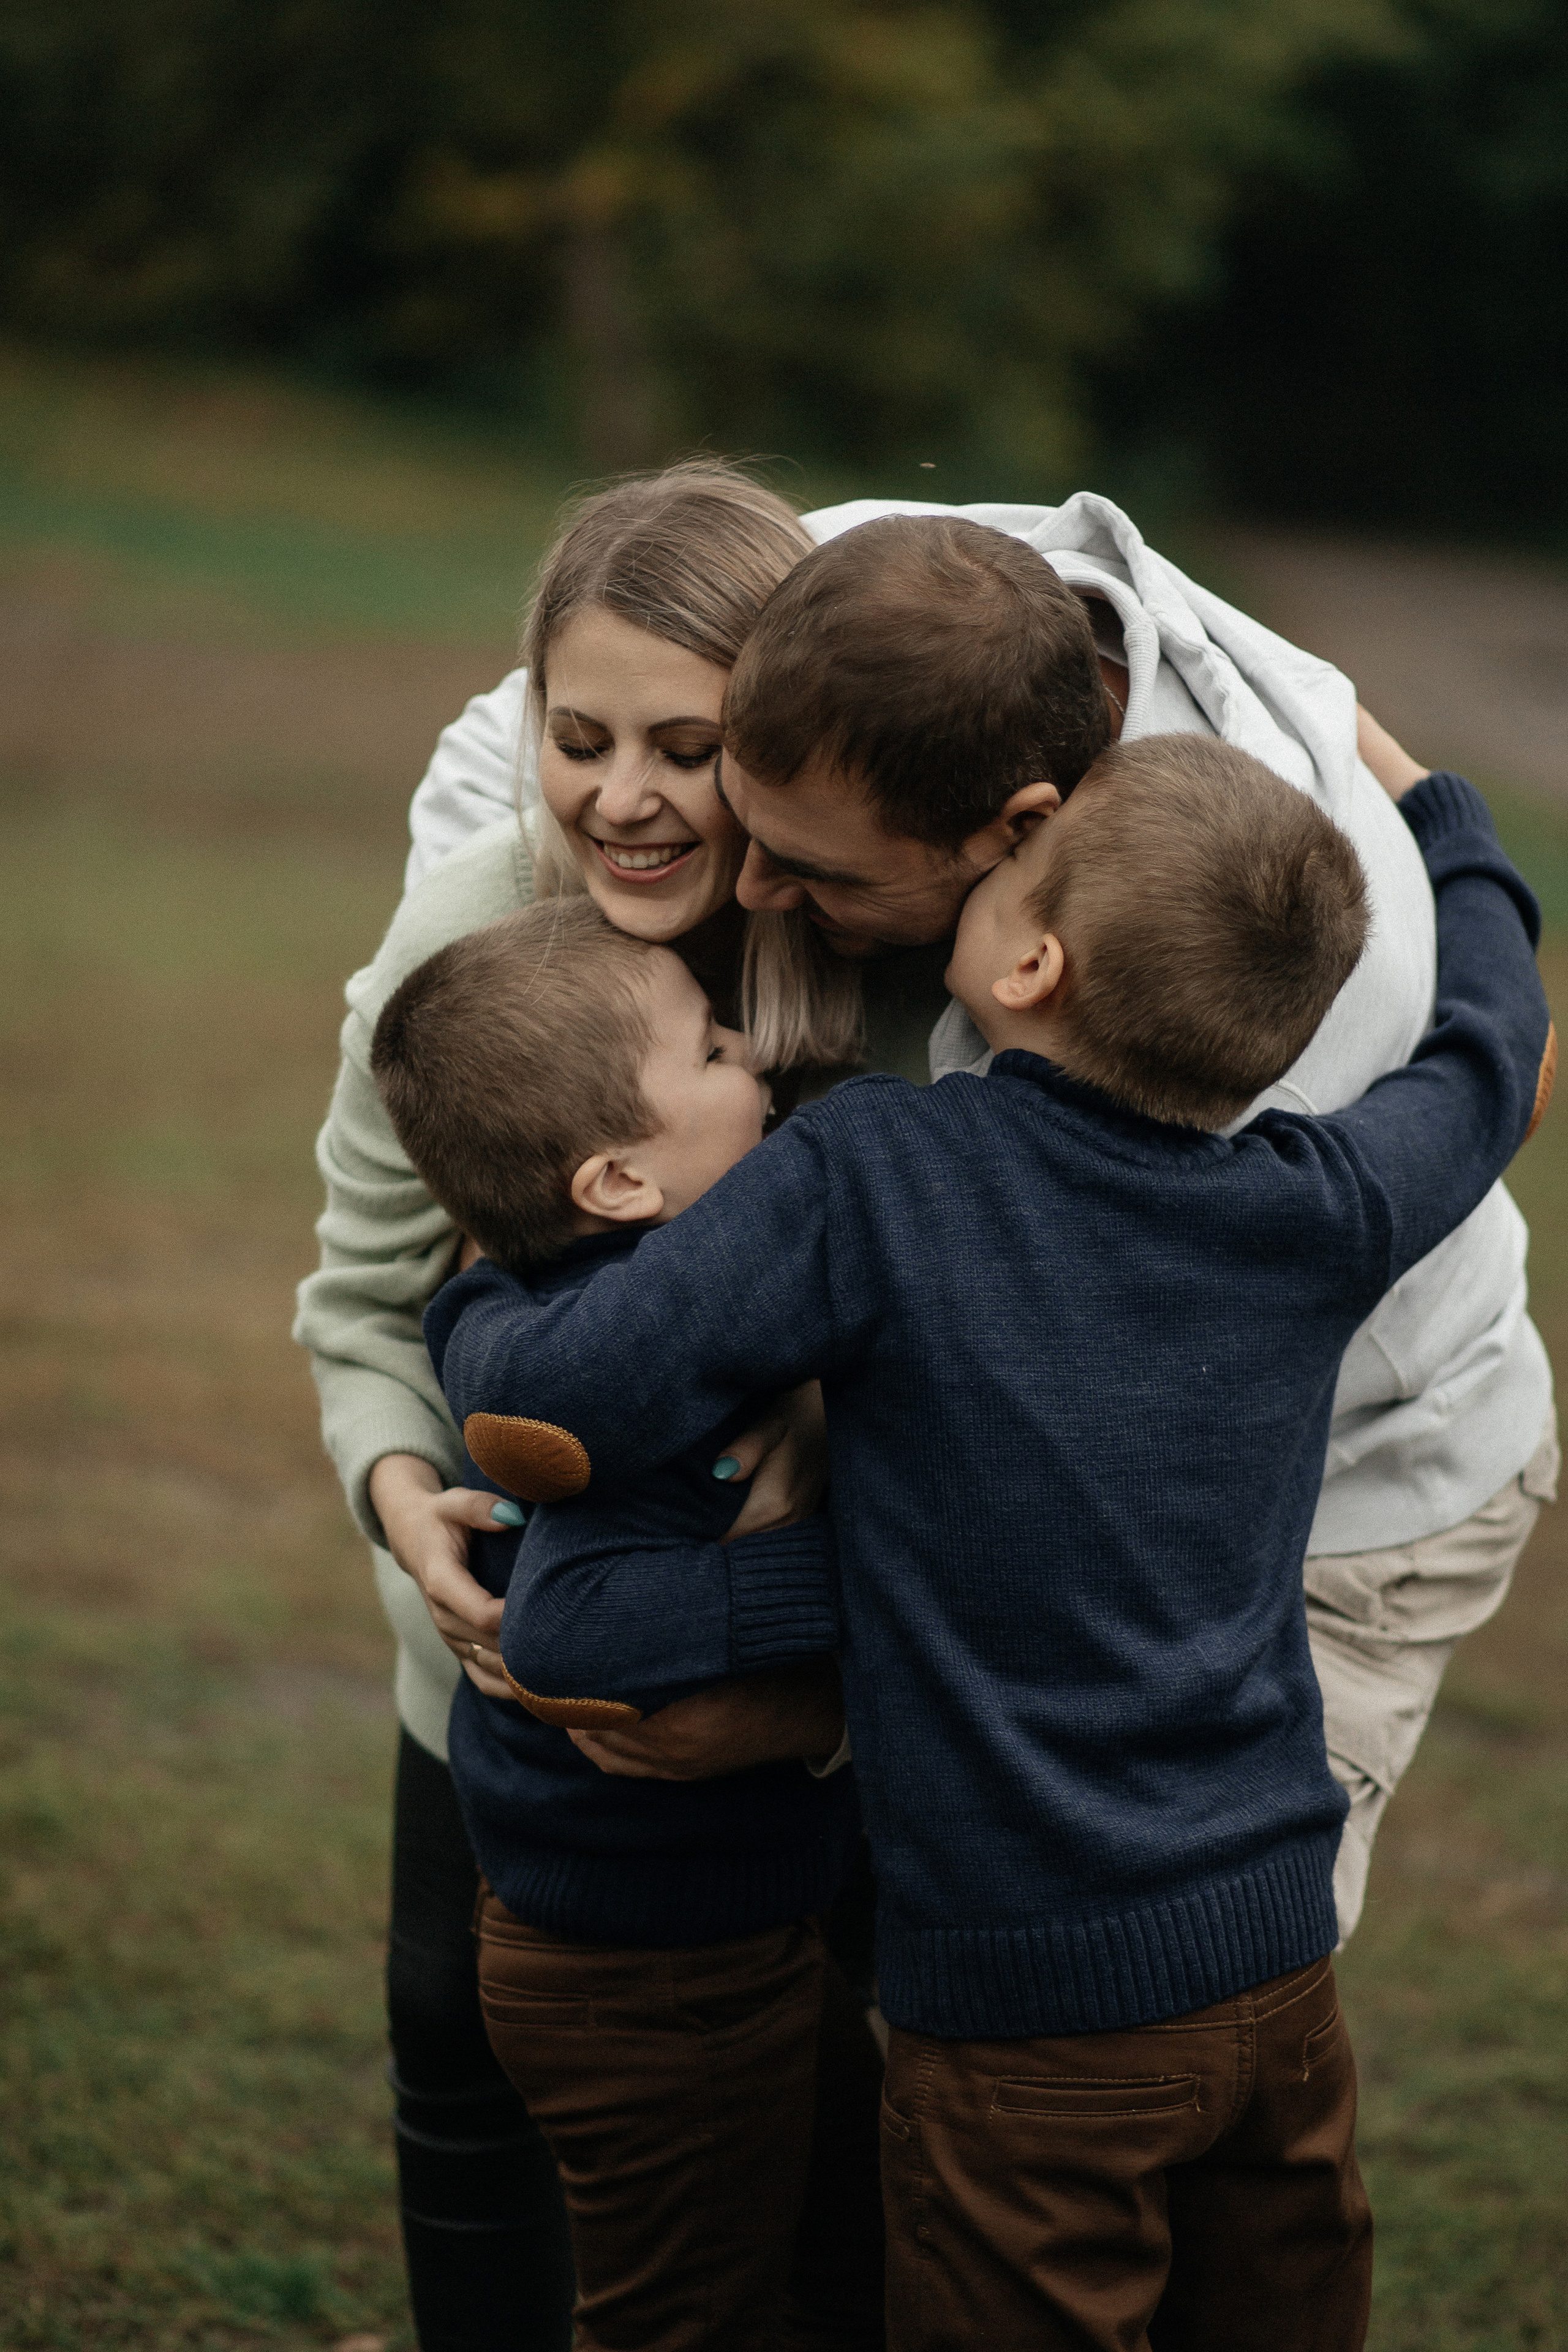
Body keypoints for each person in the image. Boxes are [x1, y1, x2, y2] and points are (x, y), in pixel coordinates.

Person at [426, 706, 1550, 2348]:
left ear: (1030, 962)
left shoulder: (885, 1169)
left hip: (1031, 2029)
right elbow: (1489, 1054)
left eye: (1011, 863)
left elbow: (576, 1410)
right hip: (1281, 1973)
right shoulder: (1325, 1207)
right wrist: (1451, 823)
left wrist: (470, 1323)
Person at [295, 462, 938, 2350]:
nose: (625, 798)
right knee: (457, 2031)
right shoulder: (475, 936)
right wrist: (401, 1492)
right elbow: (356, 1297)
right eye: (578, 739)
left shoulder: (896, 950)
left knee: (823, 2105)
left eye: (690, 744)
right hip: (502, 1659)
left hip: (835, 1676)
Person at [368, 895, 881, 2352]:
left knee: (840, 2266)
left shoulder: (536, 1299)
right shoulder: (642, 1375)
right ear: (614, 1181)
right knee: (684, 2322)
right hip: (648, 1974)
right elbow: (576, 1629)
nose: (759, 1068)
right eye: (717, 1050)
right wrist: (852, 1585)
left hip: (719, 1935)